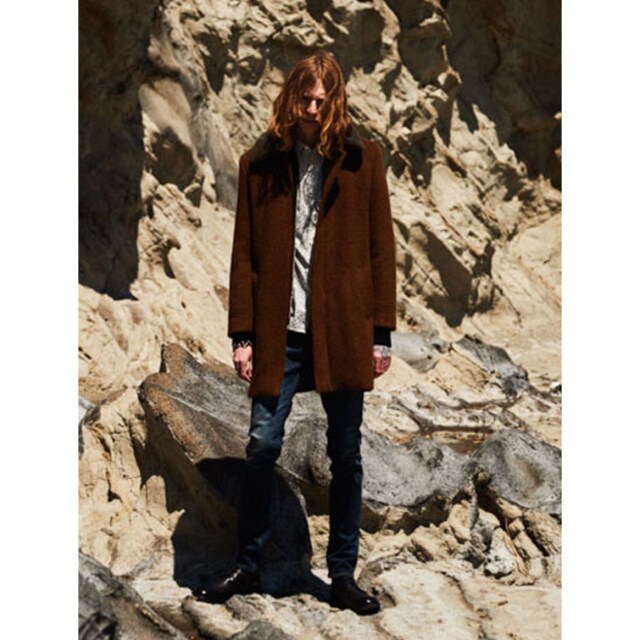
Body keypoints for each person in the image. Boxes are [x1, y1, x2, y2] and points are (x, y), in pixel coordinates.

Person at [195, 51, 396, 616]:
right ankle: (248, 563)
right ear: (290, 98)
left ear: (335, 103)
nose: (311, 110)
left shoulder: (364, 160)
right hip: (277, 330)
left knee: (346, 454)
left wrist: (381, 333)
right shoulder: (259, 163)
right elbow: (244, 256)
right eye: (304, 99)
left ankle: (342, 575)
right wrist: (242, 336)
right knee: (262, 444)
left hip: (343, 329)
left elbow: (381, 250)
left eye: (321, 101)